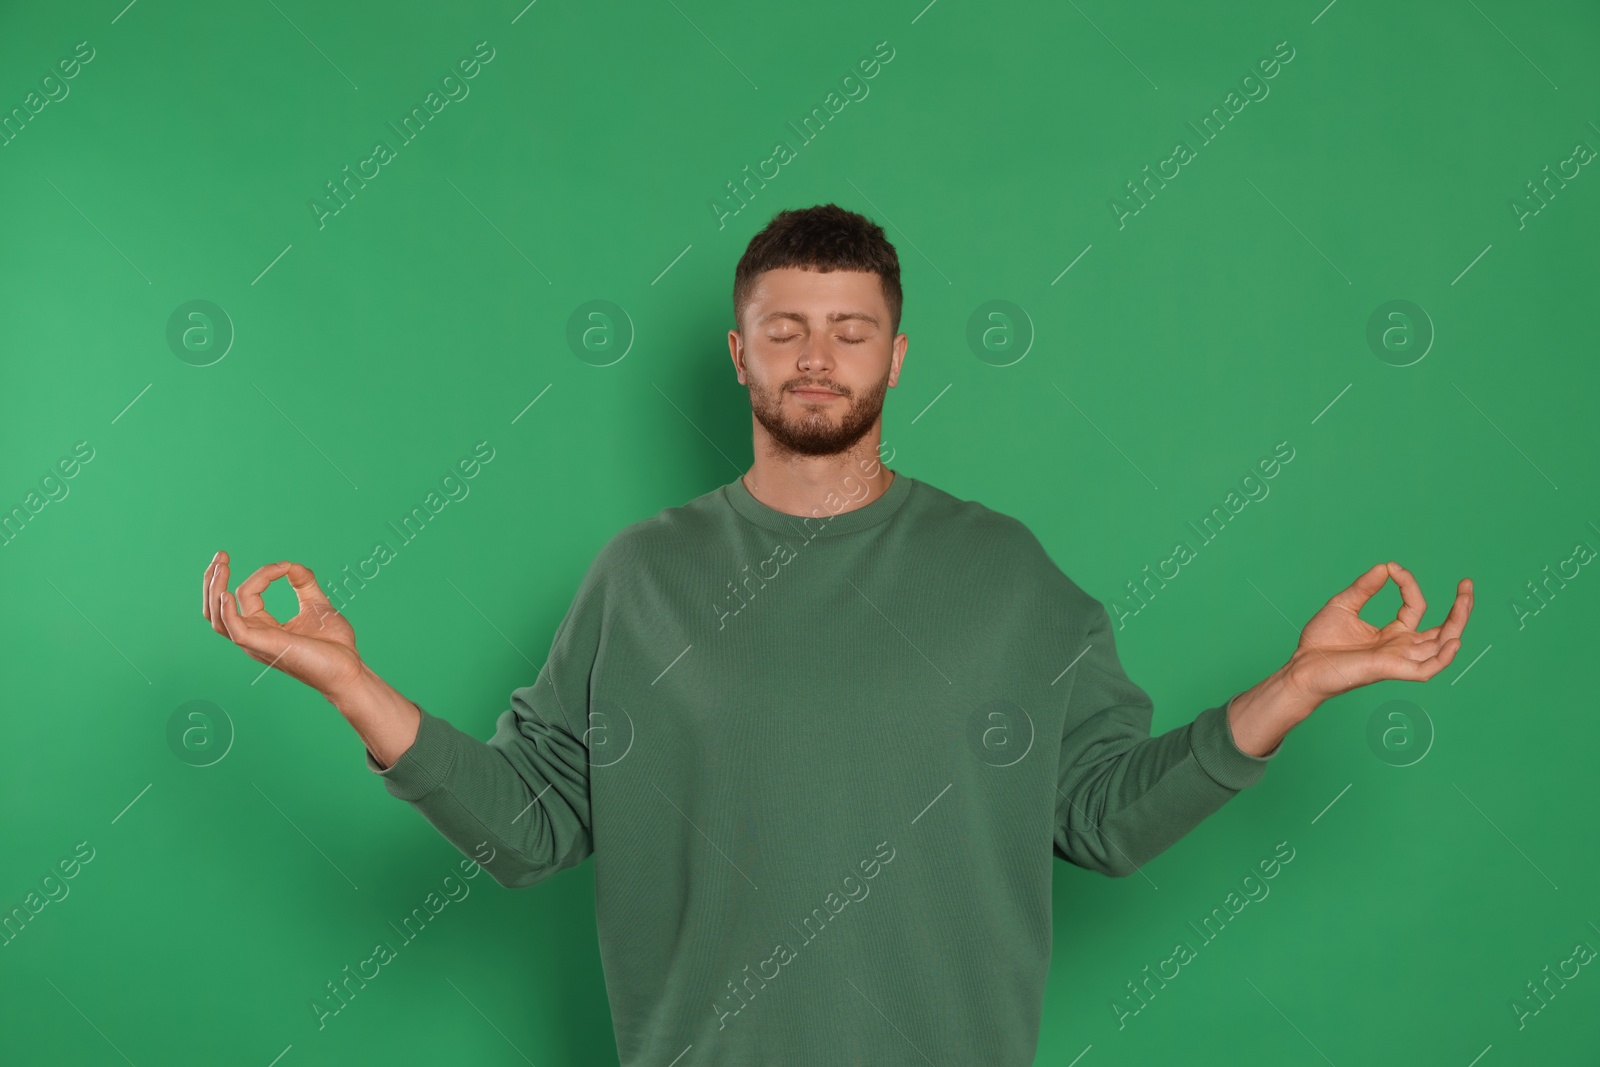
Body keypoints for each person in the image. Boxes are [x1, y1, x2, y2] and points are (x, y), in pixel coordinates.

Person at [201, 204, 1474, 1066]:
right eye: (787, 330)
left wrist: (1293, 688)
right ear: (740, 354)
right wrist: (347, 682)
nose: (819, 356)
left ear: (898, 355)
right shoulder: (639, 575)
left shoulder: (1005, 572)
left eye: (850, 330)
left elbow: (1105, 820)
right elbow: (533, 828)